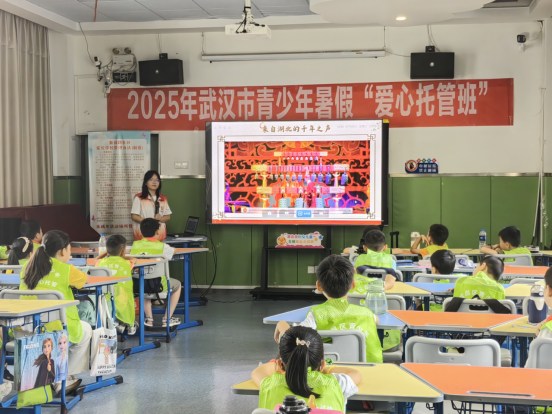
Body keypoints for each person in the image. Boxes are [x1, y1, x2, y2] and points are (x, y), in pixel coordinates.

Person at [274, 255, 383, 363]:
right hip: (369, 370)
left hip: (330, 370)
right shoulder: (367, 313)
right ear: (353, 284)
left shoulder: (316, 315)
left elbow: (293, 338)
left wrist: (281, 323)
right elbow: (377, 319)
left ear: (319, 286)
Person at [20, 230, 91, 395]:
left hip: (25, 329)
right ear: (63, 251)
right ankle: (61, 377)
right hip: (56, 330)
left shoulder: (27, 266)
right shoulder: (67, 270)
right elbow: (85, 280)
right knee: (86, 330)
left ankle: (56, 375)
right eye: (69, 249)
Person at [252, 326, 362, 413]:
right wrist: (326, 369)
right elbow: (356, 374)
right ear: (322, 365)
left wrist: (279, 364)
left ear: (280, 364)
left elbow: (258, 371)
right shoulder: (337, 383)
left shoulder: (269, 384)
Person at [130, 219, 181, 327]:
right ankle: (167, 319)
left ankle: (149, 319)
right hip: (158, 285)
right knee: (177, 285)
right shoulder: (163, 247)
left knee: (144, 281)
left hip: (138, 284)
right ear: (158, 231)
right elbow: (175, 251)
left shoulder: (135, 245)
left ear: (141, 231)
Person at [96, 235, 138, 334]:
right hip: (123, 299)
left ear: (107, 250)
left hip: (106, 298)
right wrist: (122, 256)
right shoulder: (127, 263)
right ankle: (128, 325)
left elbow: (96, 259)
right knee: (123, 300)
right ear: (123, 251)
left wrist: (106, 253)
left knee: (110, 301)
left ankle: (115, 322)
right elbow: (135, 259)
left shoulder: (100, 262)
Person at [131, 170, 171, 241]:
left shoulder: (163, 198)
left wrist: (161, 218)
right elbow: (134, 216)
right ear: (145, 182)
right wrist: (149, 223)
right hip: (143, 236)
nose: (154, 182)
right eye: (151, 180)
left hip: (160, 235)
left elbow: (168, 216)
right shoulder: (139, 198)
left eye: (157, 180)